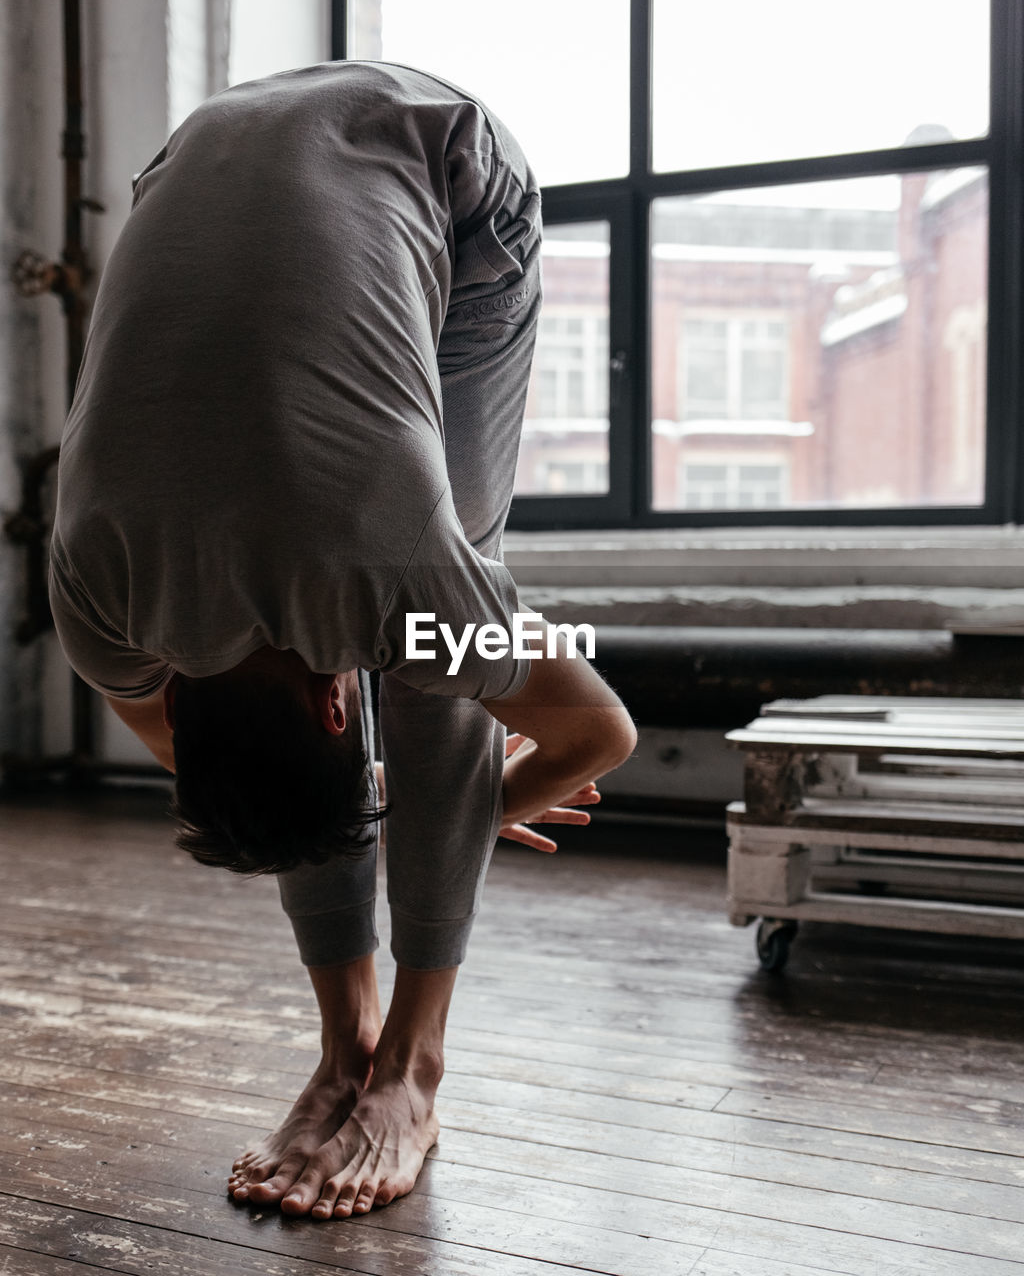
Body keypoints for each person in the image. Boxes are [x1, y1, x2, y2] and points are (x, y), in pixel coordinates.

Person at [48, 60, 636, 1221]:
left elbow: (596, 724)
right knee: (434, 653)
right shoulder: (95, 594)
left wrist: (479, 796)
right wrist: (426, 797)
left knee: (439, 679)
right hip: (199, 147)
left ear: (331, 706)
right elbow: (220, 756)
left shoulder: (392, 576)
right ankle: (342, 1048)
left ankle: (410, 1065)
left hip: (438, 162)